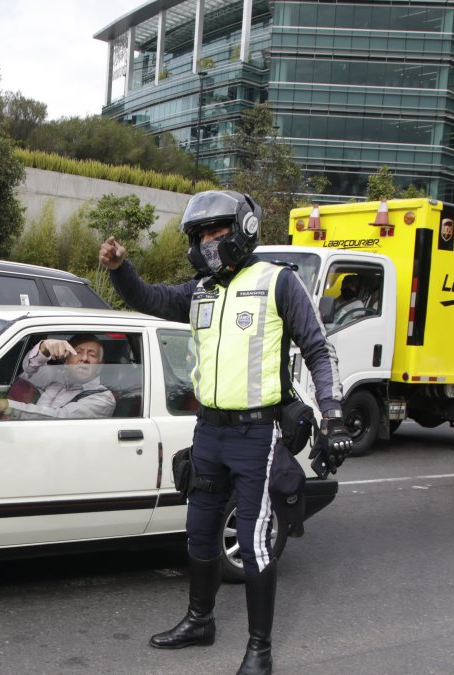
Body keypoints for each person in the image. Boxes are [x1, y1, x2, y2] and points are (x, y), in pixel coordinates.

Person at [98, 190, 353, 675]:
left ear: (242, 230)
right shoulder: (201, 289)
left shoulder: (279, 282)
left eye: (216, 231)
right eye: (199, 235)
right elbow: (148, 298)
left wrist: (333, 415)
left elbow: (319, 350)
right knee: (199, 534)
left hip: (257, 435)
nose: (208, 242)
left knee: (255, 545)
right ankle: (200, 621)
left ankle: (260, 650)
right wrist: (119, 268)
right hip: (209, 432)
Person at [0, 334, 116, 419]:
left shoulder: (103, 398)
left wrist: (7, 406)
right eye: (78, 353)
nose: (85, 358)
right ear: (65, 361)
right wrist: (44, 347)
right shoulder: (55, 380)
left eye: (92, 354)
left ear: (101, 365)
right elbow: (29, 370)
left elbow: (61, 418)